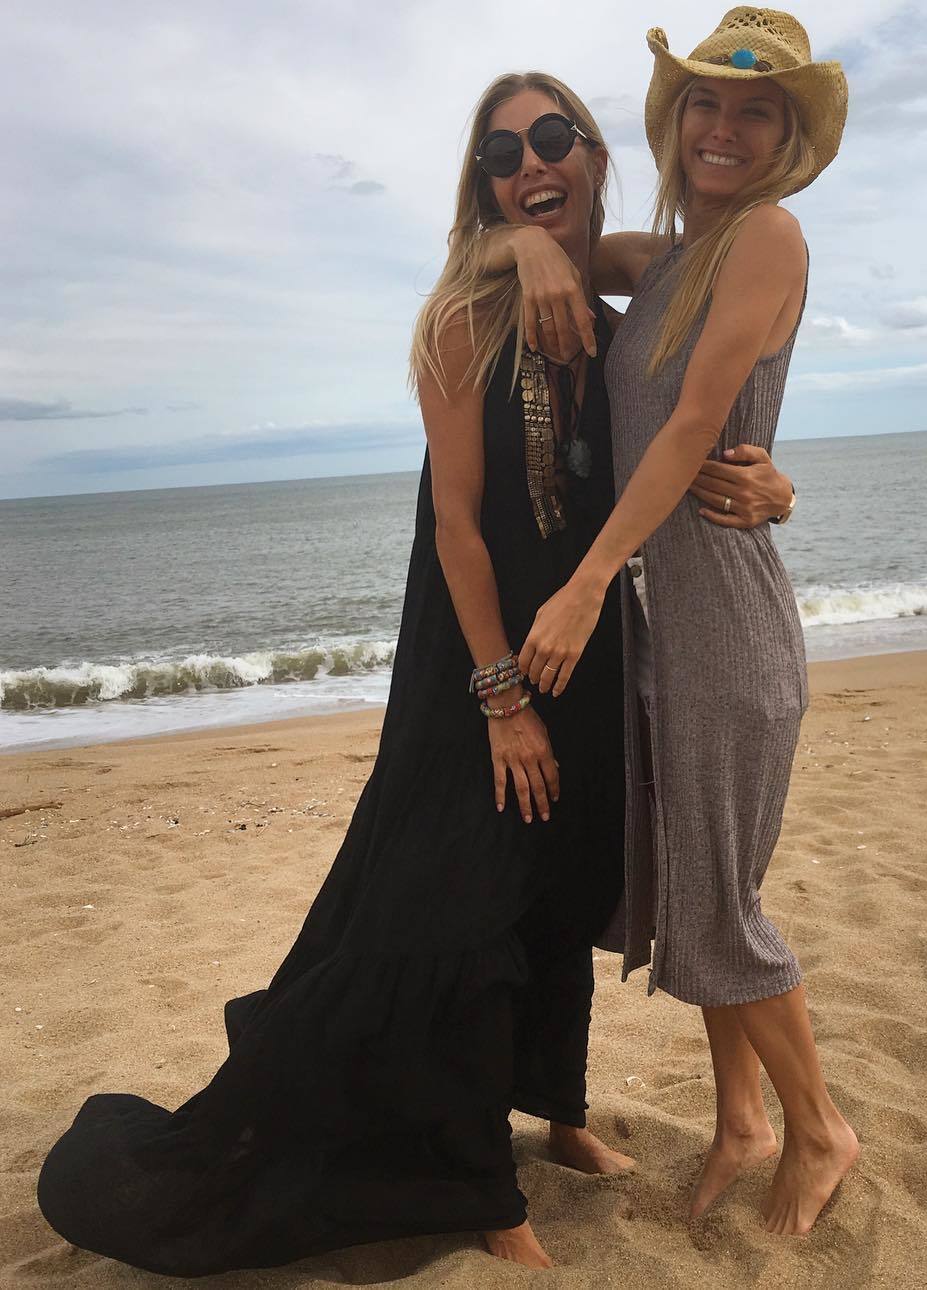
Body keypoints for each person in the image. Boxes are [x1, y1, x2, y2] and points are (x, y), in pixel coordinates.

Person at [36, 71, 640, 1277]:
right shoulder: (461, 322)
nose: (530, 162)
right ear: (482, 185)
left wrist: (754, 475)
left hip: (589, 645)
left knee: (560, 886)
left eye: (552, 138)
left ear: (593, 152)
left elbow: (699, 270)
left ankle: (560, 1115)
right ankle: (480, 1185)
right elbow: (459, 526)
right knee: (463, 908)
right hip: (476, 665)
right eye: (502, 154)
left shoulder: (614, 323)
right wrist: (500, 698)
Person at [491, 8, 861, 1237]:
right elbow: (530, 231)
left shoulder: (767, 235)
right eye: (707, 101)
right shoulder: (665, 259)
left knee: (719, 905)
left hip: (725, 623)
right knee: (695, 885)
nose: (725, 127)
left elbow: (701, 422)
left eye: (756, 111)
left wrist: (590, 578)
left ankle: (820, 1129)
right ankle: (741, 1122)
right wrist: (527, 244)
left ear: (786, 137)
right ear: (674, 118)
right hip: (669, 624)